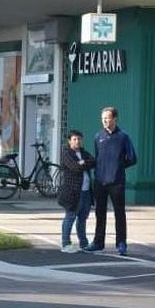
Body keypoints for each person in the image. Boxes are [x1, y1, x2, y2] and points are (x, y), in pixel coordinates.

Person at [84, 106, 137, 256]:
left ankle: (121, 243)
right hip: (100, 181)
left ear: (115, 118)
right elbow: (98, 157)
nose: (105, 121)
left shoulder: (123, 137)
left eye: (108, 118)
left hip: (117, 181)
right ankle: (98, 242)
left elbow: (132, 158)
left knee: (119, 213)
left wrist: (118, 167)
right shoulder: (98, 136)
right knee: (99, 213)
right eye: (103, 118)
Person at [57, 130, 95, 253]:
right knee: (70, 217)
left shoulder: (84, 153)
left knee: (82, 219)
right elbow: (75, 167)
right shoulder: (66, 153)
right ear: (69, 141)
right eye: (74, 139)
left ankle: (84, 243)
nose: (77, 141)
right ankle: (65, 243)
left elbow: (93, 161)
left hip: (86, 191)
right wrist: (83, 164)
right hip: (72, 192)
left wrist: (83, 162)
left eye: (79, 139)